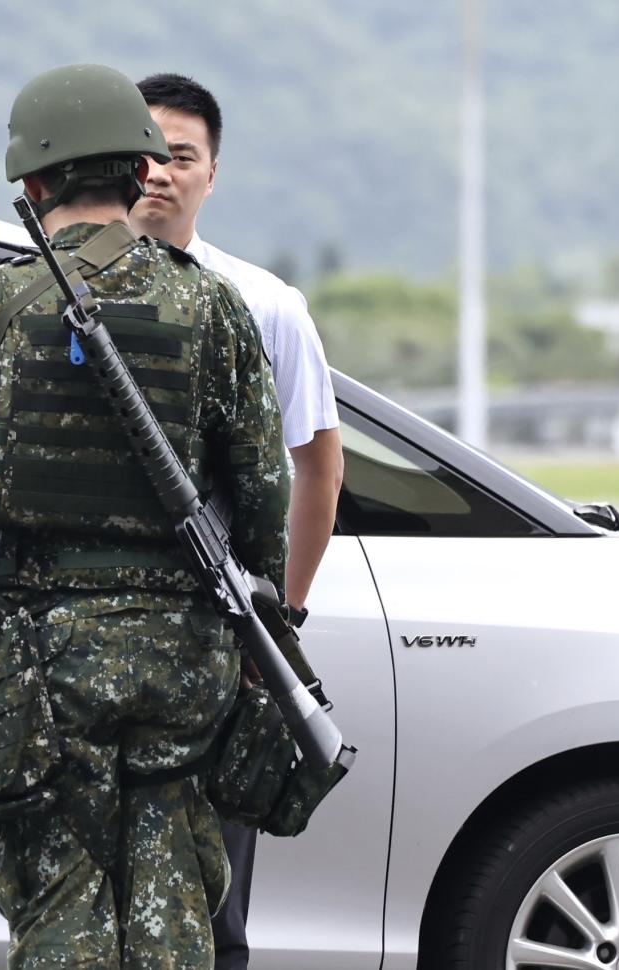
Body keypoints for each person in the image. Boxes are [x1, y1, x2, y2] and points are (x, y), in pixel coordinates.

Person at [0, 64, 289, 969]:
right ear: (139, 171)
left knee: (60, 907)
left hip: (40, 660)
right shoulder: (212, 304)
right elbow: (266, 496)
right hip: (181, 662)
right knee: (173, 905)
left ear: (33, 185)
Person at [131, 72, 345, 970]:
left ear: (212, 174)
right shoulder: (41, 297)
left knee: (211, 905)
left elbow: (318, 465)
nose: (159, 173)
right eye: (143, 153)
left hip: (215, 650)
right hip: (72, 643)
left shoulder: (264, 307)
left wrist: (278, 621)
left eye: (181, 155)